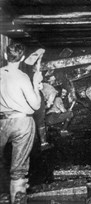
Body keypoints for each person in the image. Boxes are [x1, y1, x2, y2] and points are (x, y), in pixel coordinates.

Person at [0, 42, 42, 203]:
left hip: (2, 122)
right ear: (23, 58)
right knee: (18, 169)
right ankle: (17, 197)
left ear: (5, 56)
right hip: (22, 122)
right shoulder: (22, 77)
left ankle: (3, 196)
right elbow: (35, 105)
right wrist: (36, 84)